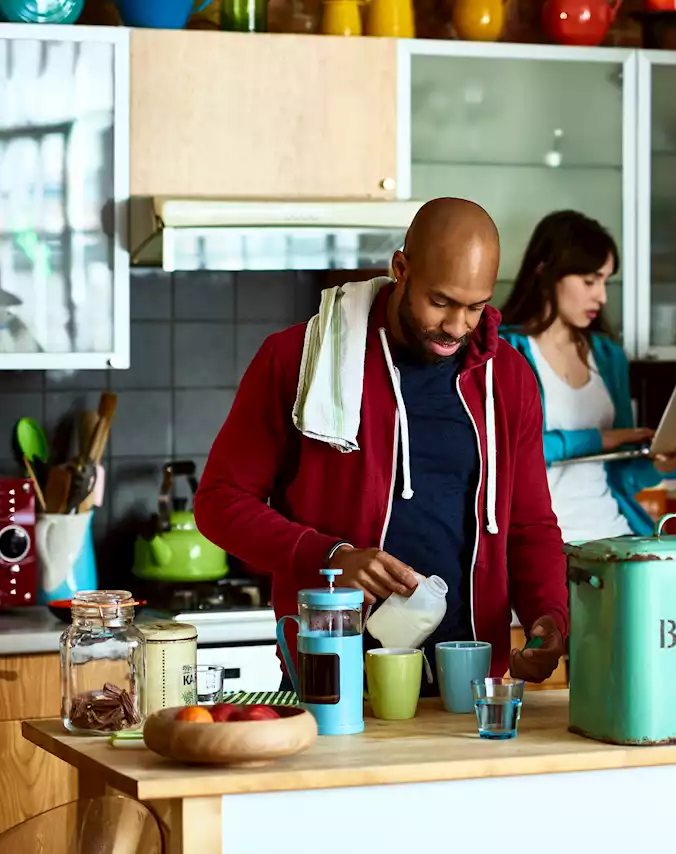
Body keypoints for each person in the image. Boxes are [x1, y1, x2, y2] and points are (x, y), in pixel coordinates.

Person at [194, 198, 567, 691]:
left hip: (470, 687)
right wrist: (331, 557)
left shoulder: (510, 379)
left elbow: (529, 524)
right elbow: (219, 502)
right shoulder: (299, 359)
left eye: (475, 307)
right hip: (333, 678)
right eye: (441, 302)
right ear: (400, 269)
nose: (457, 327)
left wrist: (549, 615)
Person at [499, 210, 676, 543]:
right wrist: (604, 438)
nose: (602, 296)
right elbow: (508, 453)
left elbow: (621, 474)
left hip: (616, 534)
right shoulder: (504, 349)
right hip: (545, 543)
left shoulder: (608, 355)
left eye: (605, 281)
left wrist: (664, 463)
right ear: (545, 273)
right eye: (589, 281)